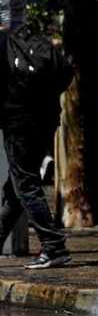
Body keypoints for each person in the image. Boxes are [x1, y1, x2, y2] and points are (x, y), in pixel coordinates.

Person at [0, 24, 72, 268]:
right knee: (17, 185)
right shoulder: (32, 39)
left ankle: (54, 246)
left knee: (26, 184)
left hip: (17, 122)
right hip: (46, 119)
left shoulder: (4, 45)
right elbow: (65, 72)